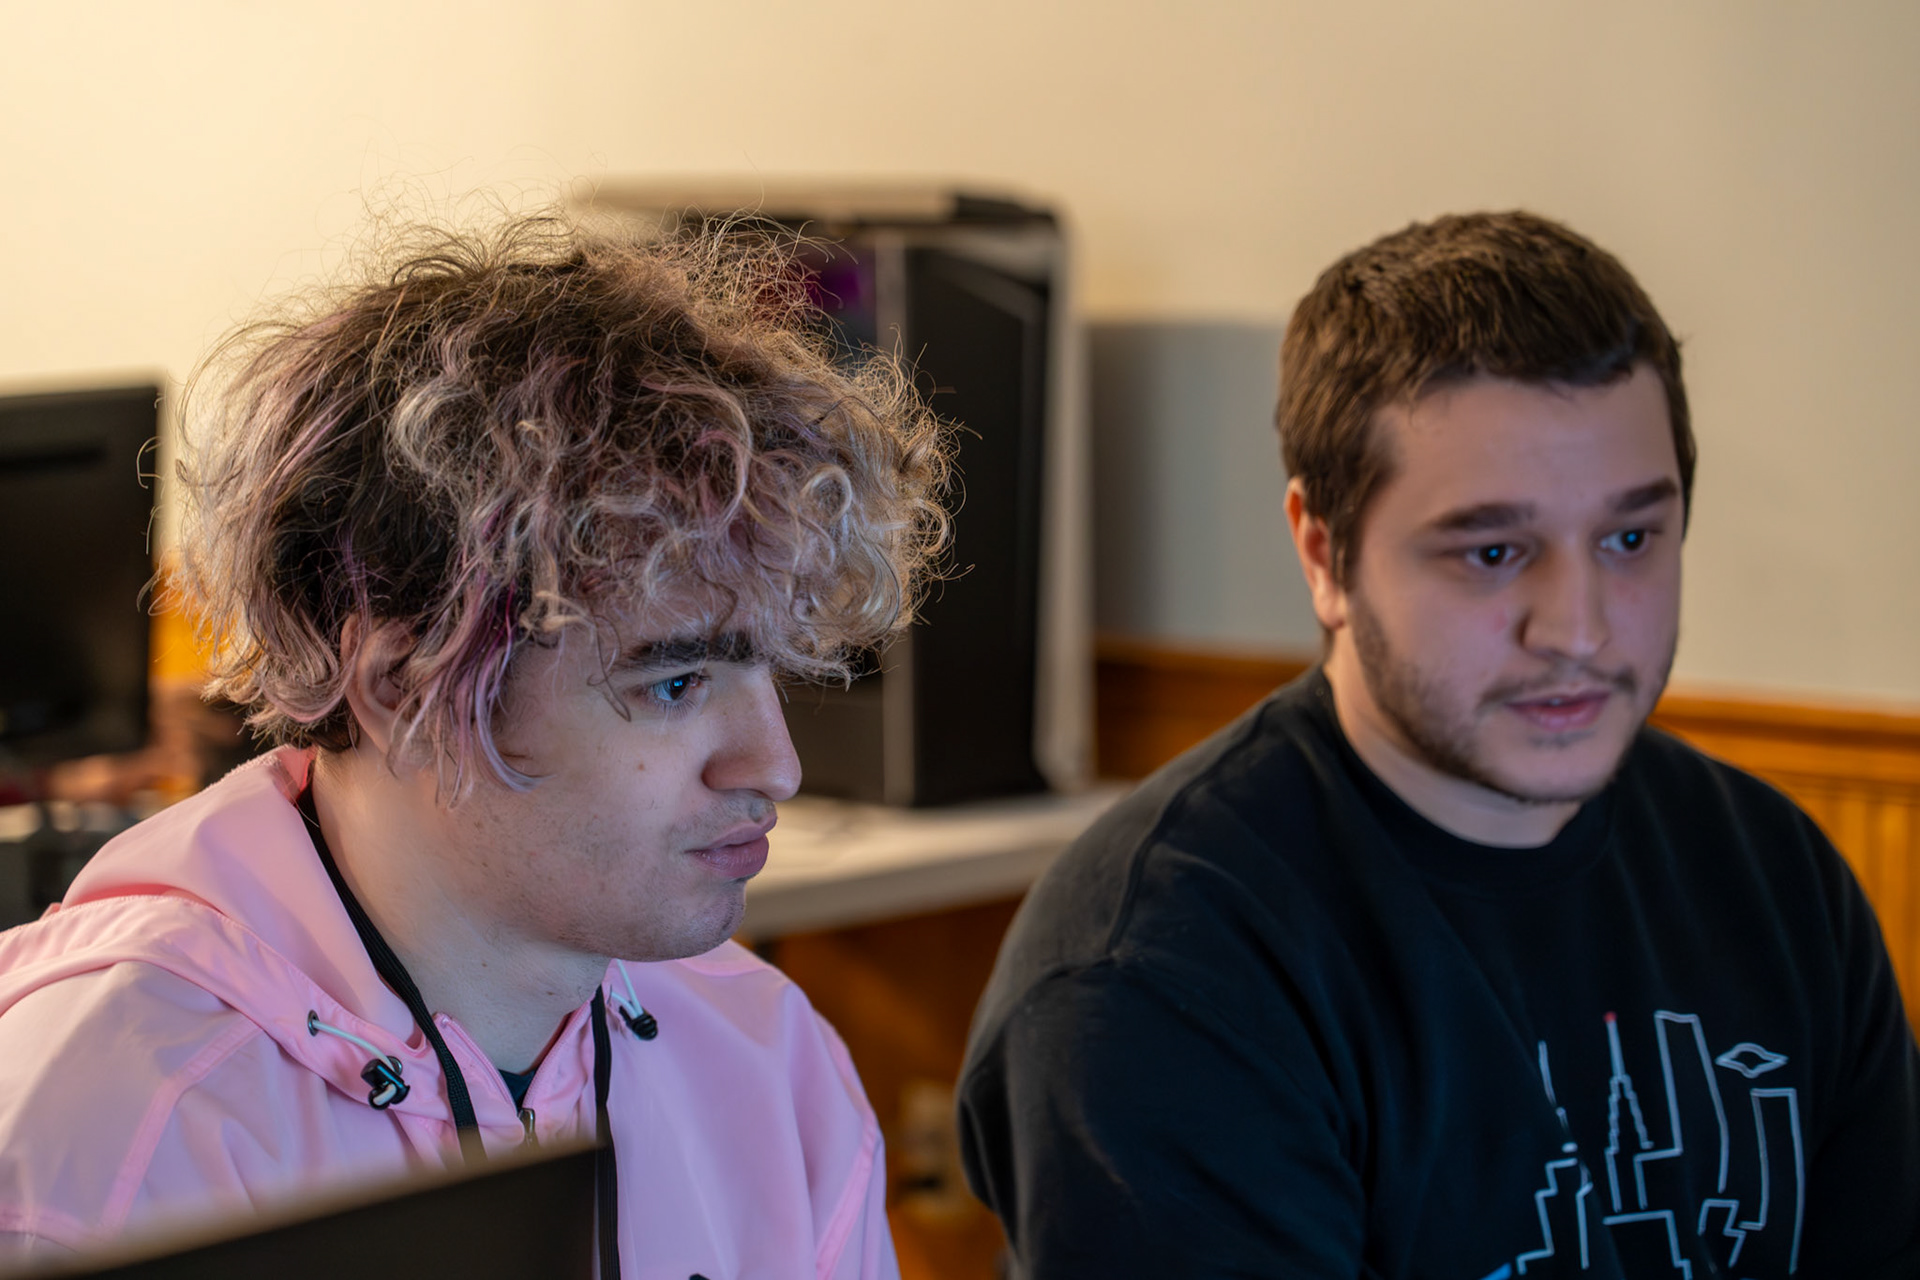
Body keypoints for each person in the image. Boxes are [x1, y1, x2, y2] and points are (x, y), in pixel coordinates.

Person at [957, 211, 1920, 1277]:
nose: (1579, 628)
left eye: (1630, 538)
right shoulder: (1157, 973)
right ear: (1324, 553)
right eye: (1494, 551)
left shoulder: (1774, 876)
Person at [0, 211, 947, 1276]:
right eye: (676, 682)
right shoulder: (107, 1135)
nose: (775, 766)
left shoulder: (767, 1062)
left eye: (769, 667)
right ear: (402, 686)